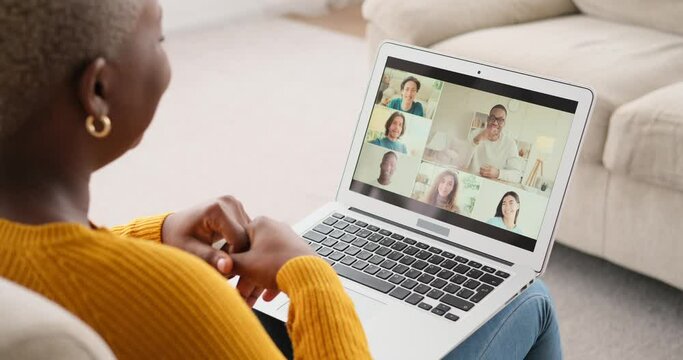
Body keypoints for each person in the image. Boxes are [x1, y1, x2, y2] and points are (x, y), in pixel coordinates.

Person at [0, 1, 561, 359]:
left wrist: (161, 233)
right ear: (97, 92)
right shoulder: (182, 298)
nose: (166, 56)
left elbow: (56, 267)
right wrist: (311, 276)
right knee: (530, 299)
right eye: (161, 38)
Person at [468, 104, 523, 183]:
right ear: (488, 119)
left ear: (504, 123)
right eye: (492, 118)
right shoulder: (475, 134)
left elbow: (517, 176)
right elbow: (462, 161)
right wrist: (477, 139)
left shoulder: (510, 143)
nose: (495, 123)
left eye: (500, 120)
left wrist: (498, 173)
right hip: (471, 180)